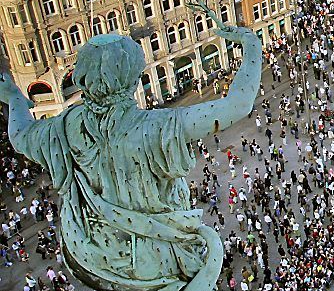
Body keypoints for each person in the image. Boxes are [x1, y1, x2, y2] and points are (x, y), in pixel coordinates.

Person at [0, 28, 262, 291]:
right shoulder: (157, 127)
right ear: (134, 79)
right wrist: (251, 44)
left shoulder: (62, 129)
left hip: (90, 257)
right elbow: (238, 104)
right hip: (153, 261)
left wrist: (14, 98)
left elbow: (21, 135)